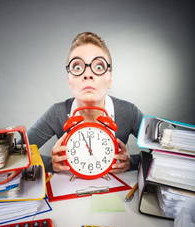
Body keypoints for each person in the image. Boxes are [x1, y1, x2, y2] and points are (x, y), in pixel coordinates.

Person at [27, 32, 143, 173]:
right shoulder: (57, 113)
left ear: (110, 78)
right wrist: (51, 164)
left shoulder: (128, 112)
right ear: (69, 80)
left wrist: (131, 162)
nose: (88, 75)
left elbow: (161, 155)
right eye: (77, 67)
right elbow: (18, 154)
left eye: (99, 67)